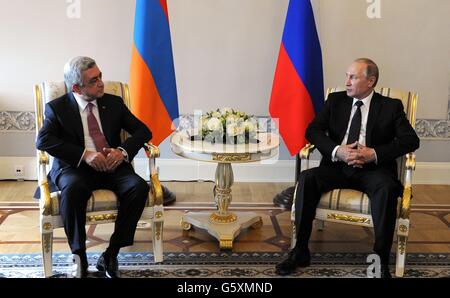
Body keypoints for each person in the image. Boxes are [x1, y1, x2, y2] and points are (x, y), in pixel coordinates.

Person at [275, 58, 420, 278]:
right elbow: (312, 131)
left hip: (373, 170)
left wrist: (373, 153)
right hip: (337, 167)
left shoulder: (390, 107)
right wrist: (337, 150)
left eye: (353, 77)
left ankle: (379, 259)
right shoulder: (335, 101)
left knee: (387, 189)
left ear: (370, 81)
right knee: (307, 178)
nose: (347, 82)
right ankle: (300, 251)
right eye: (346, 76)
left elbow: (411, 140)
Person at [36, 56, 152, 278]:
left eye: (100, 76)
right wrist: (84, 155)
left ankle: (111, 254)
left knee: (138, 187)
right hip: (75, 168)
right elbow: (43, 141)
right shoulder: (57, 108)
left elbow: (143, 131)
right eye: (93, 80)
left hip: (112, 164)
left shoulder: (114, 103)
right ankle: (79, 256)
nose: (100, 83)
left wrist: (122, 152)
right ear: (77, 87)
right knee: (74, 189)